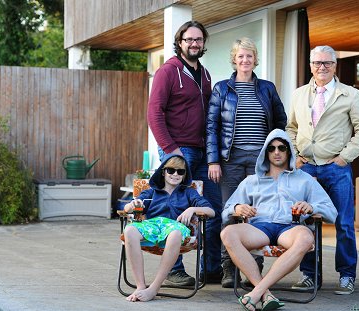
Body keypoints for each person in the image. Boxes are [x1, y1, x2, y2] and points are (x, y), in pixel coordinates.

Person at [286, 45, 359, 295]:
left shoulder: (350, 94)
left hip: (336, 169)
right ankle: (309, 275)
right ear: (310, 65)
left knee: (344, 223)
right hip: (306, 169)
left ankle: (347, 275)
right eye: (317, 63)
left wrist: (345, 158)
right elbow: (291, 127)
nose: (321, 68)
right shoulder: (299, 94)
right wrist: (296, 156)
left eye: (327, 63)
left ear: (335, 66)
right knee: (303, 222)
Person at [220, 129, 337, 311]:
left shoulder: (304, 179)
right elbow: (227, 209)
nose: (277, 152)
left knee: (306, 238)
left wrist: (312, 207)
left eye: (282, 148)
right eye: (272, 148)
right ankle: (264, 293)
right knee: (228, 233)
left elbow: (331, 211)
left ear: (288, 151)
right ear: (266, 152)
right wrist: (237, 208)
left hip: (290, 227)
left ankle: (257, 292)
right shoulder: (252, 180)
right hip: (260, 227)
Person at [206, 37, 287, 288]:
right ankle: (229, 270)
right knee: (230, 213)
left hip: (260, 162)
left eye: (249, 56)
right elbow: (211, 127)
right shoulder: (221, 89)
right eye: (240, 56)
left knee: (257, 214)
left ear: (255, 59)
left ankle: (254, 270)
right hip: (230, 161)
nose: (245, 60)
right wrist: (213, 161)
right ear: (234, 59)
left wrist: (276, 156)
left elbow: (280, 123)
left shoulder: (267, 88)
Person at [147, 20, 223, 285]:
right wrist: (171, 150)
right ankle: (173, 270)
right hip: (178, 150)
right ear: (179, 43)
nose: (194, 44)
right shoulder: (167, 72)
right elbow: (154, 113)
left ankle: (212, 268)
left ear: (203, 44)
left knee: (213, 208)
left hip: (203, 152)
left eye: (198, 40)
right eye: (189, 39)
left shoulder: (205, 74)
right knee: (174, 208)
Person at [123, 154, 214, 302]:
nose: (175, 174)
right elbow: (128, 208)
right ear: (164, 172)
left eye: (180, 171)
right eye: (171, 170)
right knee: (130, 230)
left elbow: (211, 211)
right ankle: (140, 286)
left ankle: (154, 288)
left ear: (185, 175)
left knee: (175, 233)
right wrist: (133, 205)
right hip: (153, 227)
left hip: (176, 228)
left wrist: (192, 209)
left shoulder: (188, 192)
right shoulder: (152, 191)